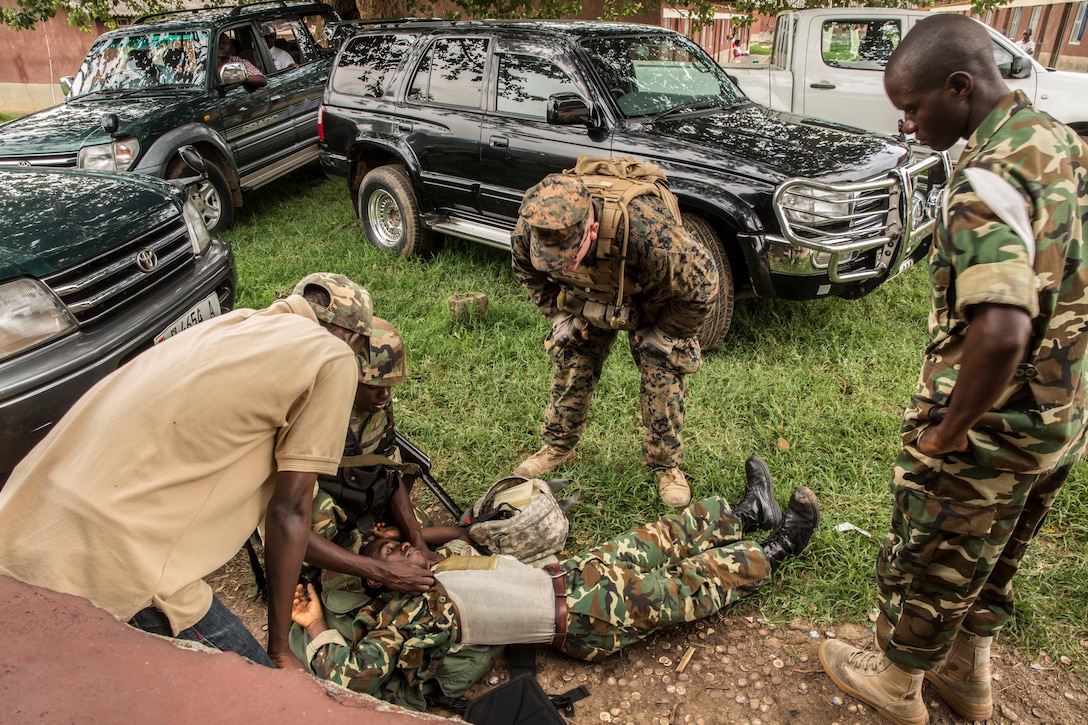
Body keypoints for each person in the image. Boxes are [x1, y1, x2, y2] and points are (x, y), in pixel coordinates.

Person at [819, 14, 1088, 725]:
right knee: (997, 550)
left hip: (992, 423)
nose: (907, 126)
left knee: (933, 553)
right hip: (1061, 414)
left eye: (912, 108)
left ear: (960, 87)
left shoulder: (985, 179)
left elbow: (1000, 329)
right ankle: (969, 676)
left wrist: (950, 430)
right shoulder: (1055, 139)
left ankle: (898, 683)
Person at [0, 272, 372, 669]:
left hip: (21, 519)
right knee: (262, 693)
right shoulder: (331, 356)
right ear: (352, 336)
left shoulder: (228, 325)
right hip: (116, 557)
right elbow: (290, 512)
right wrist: (279, 648)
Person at [290, 457, 819, 707]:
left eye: (400, 543)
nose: (405, 548)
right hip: (582, 618)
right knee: (684, 586)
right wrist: (315, 624)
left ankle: (748, 514)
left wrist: (410, 542)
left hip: (567, 577)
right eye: (392, 555)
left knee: (655, 538)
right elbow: (349, 676)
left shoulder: (432, 562)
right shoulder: (400, 619)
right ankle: (778, 548)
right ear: (383, 581)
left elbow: (442, 535)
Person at [510, 168, 719, 508]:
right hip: (588, 297)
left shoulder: (648, 231)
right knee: (572, 361)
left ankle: (666, 465)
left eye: (565, 259)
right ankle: (558, 446)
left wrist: (666, 334)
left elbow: (704, 284)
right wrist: (559, 314)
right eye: (553, 262)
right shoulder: (533, 226)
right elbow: (526, 271)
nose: (559, 268)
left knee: (662, 376)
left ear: (592, 231)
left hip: (651, 300)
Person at [304, 316, 469, 602]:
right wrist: (382, 572)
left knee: (413, 524)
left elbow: (389, 473)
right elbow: (289, 527)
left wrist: (417, 541)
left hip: (357, 505)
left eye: (391, 386)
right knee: (320, 519)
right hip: (317, 520)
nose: (385, 396)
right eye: (374, 386)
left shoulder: (377, 403)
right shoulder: (310, 417)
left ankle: (380, 541)